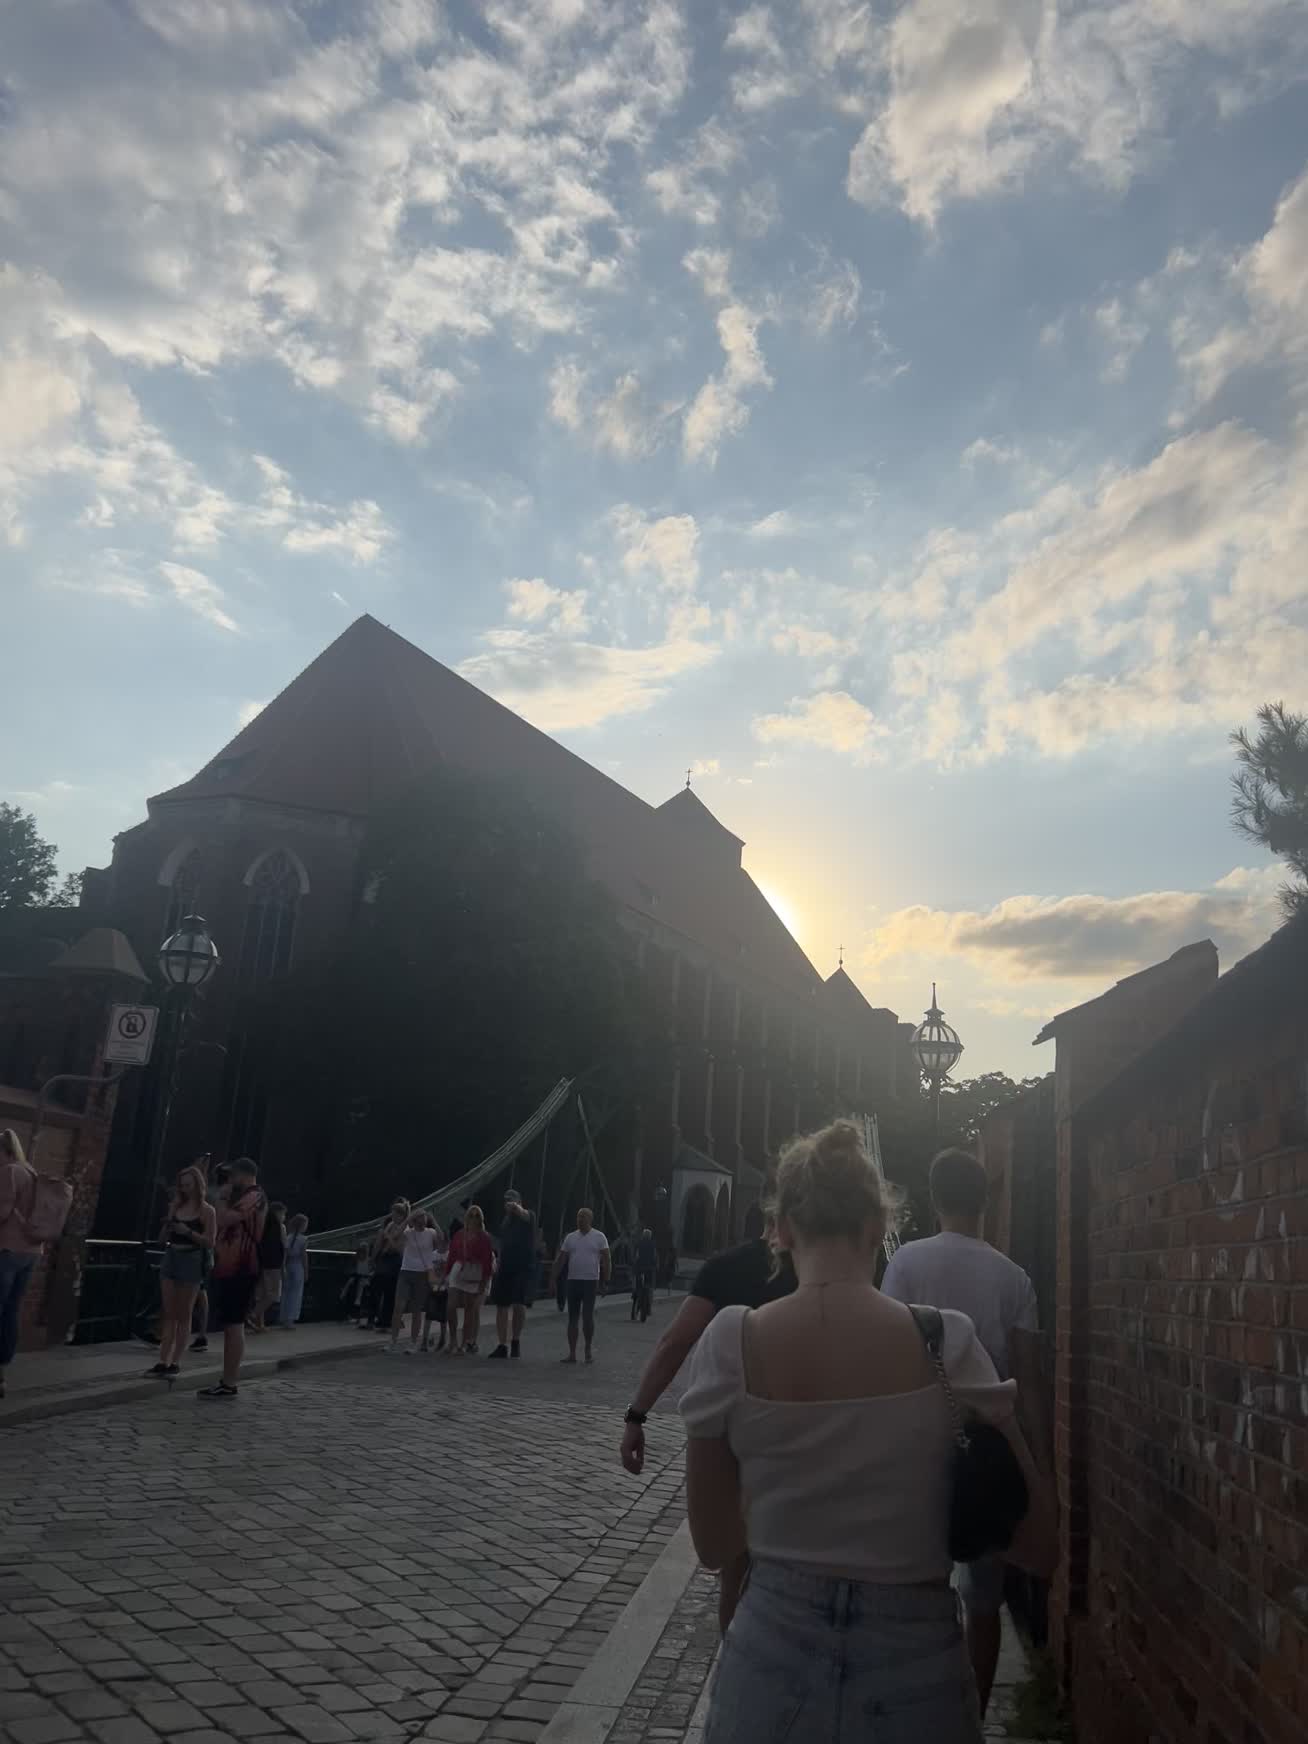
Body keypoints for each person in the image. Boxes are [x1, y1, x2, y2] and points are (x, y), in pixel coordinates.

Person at [679, 1120, 1056, 1744]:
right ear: (879, 1226)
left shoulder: (731, 1342)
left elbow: (715, 1545)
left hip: (769, 1665)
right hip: (917, 1671)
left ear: (782, 1229)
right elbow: (1039, 1543)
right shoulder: (948, 1342)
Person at [881, 1147, 1049, 1716]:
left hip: (916, 1443)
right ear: (987, 1200)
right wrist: (1039, 1466)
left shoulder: (907, 1263)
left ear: (934, 1199)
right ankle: (972, 1716)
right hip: (988, 1451)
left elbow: (885, 1357)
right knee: (984, 1599)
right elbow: (1028, 1380)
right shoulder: (1015, 1278)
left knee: (915, 1582)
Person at [620, 1217, 797, 1633]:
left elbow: (676, 1341)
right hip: (802, 1433)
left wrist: (637, 1415)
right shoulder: (822, 1271)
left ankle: (732, 1654)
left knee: (734, 1569)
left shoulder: (725, 1267)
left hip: (738, 1434)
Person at [198, 1156, 267, 1400]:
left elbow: (224, 1219)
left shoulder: (254, 1196)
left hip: (241, 1267)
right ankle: (227, 1380)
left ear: (244, 1174)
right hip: (230, 1267)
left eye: (233, 1175)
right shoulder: (245, 1196)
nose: (230, 1180)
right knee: (231, 1324)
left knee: (234, 1324)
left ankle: (229, 1382)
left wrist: (222, 1197)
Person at [147, 1163, 215, 1377]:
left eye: (188, 1185)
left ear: (198, 1185)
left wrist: (187, 1232)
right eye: (182, 1185)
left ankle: (175, 1361)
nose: (185, 1189)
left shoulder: (207, 1211)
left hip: (191, 1258)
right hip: (171, 1256)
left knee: (184, 1313)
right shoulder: (175, 1206)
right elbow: (161, 1239)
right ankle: (162, 1360)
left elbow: (210, 1242)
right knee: (169, 1312)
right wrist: (168, 1224)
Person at [0, 1129, 42, 1402]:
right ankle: (2, 1374)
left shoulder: (9, 1172)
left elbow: (2, 1211)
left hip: (7, 1249)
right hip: (31, 1252)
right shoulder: (31, 1171)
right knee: (11, 1311)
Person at [551, 1207, 610, 1365]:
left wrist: (605, 1281)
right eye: (578, 1216)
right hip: (573, 1281)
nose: (580, 1219)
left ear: (590, 1219)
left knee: (587, 1316)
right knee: (572, 1317)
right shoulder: (570, 1237)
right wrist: (553, 1278)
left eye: (583, 1216)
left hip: (590, 1281)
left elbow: (607, 1259)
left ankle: (588, 1349)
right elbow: (561, 1259)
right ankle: (572, 1353)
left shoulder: (599, 1237)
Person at [488, 1188, 537, 1359]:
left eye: (511, 1200)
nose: (508, 1203)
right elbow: (502, 1243)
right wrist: (499, 1261)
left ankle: (516, 1340)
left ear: (519, 1201)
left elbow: (524, 1214)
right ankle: (502, 1344)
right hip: (506, 1266)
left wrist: (515, 1207)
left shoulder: (529, 1215)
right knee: (501, 1305)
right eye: (506, 1201)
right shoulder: (505, 1222)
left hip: (523, 1266)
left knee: (518, 1303)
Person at [445, 1204, 493, 1355]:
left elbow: (487, 1262)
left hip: (474, 1273)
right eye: (471, 1215)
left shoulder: (484, 1237)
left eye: (476, 1215)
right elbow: (452, 1255)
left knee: (469, 1310)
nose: (473, 1218)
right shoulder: (459, 1234)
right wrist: (446, 1275)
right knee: (450, 1306)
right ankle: (453, 1340)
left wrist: (483, 1284)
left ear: (481, 1219)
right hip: (458, 1270)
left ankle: (463, 1343)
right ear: (466, 1217)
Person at [391, 1208, 441, 1353]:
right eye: (419, 1217)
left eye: (424, 1217)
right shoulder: (408, 1232)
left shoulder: (431, 1233)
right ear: (415, 1219)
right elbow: (395, 1235)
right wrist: (407, 1219)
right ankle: (393, 1341)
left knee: (416, 1309)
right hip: (406, 1271)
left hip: (423, 1273)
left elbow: (442, 1240)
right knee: (398, 1307)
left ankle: (413, 1342)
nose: (423, 1219)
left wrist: (434, 1221)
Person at [369, 1200, 409, 1332]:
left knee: (390, 1293)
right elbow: (380, 1242)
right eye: (392, 1213)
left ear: (401, 1215)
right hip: (384, 1260)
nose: (393, 1216)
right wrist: (374, 1258)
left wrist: (388, 1238)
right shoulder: (390, 1225)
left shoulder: (405, 1229)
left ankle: (386, 1322)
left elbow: (400, 1250)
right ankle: (374, 1318)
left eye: (395, 1214)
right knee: (376, 1289)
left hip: (395, 1261)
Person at [252, 1200, 287, 1331]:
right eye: (283, 1214)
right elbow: (283, 1248)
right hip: (274, 1264)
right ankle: (253, 1315)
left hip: (261, 1263)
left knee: (261, 1294)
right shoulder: (280, 1227)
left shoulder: (261, 1225)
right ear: (278, 1213)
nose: (284, 1217)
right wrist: (283, 1266)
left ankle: (259, 1324)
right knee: (273, 1294)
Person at [422, 1218, 452, 1352]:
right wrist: (432, 1282)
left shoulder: (449, 1255)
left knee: (443, 1317)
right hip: (434, 1288)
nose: (441, 1243)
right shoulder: (432, 1255)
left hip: (446, 1289)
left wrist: (443, 1282)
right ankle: (424, 1341)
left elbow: (450, 1273)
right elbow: (430, 1271)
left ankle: (442, 1339)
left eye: (443, 1241)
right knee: (429, 1315)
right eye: (439, 1241)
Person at [280, 1214, 309, 1329]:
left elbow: (284, 1255)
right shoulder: (303, 1239)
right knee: (295, 1294)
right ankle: (290, 1320)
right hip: (298, 1267)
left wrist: (283, 1267)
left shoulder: (288, 1237)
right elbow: (304, 1257)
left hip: (288, 1266)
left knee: (286, 1293)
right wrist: (306, 1271)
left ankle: (284, 1318)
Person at [630, 1226, 657, 1320]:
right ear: (650, 1236)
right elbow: (655, 1257)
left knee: (637, 1287)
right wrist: (655, 1266)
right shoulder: (653, 1244)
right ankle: (648, 1307)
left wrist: (634, 1265)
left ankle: (635, 1299)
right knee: (649, 1287)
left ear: (643, 1235)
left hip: (639, 1269)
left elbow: (635, 1256)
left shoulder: (639, 1243)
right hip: (649, 1269)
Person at [343, 1242, 371, 1323]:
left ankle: (358, 1313)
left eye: (365, 1249)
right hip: (357, 1279)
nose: (363, 1251)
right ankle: (352, 1313)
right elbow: (352, 1271)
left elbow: (371, 1270)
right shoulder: (355, 1260)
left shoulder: (369, 1260)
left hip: (365, 1280)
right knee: (352, 1288)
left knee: (361, 1290)